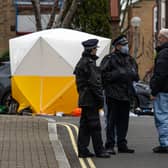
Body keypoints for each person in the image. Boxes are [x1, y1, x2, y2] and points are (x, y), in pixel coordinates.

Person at [101, 35, 139, 154]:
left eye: (126, 45)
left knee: (124, 121)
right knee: (111, 120)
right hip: (113, 94)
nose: (126, 47)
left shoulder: (130, 59)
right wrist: (118, 74)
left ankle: (122, 144)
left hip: (126, 94)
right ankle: (110, 145)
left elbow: (136, 75)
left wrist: (130, 74)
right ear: (117, 46)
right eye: (124, 45)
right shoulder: (109, 59)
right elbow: (103, 75)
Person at [73, 39, 110, 158]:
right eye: (95, 49)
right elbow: (95, 84)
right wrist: (100, 99)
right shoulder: (89, 63)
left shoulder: (82, 62)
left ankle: (83, 149)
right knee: (95, 125)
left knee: (85, 125)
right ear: (92, 50)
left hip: (84, 98)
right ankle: (100, 150)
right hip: (91, 99)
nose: (96, 51)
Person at [150, 28, 168, 153]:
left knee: (162, 117)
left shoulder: (163, 53)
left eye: (160, 38)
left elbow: (160, 74)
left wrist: (154, 91)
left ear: (165, 38)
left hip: (163, 91)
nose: (158, 40)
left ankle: (165, 144)